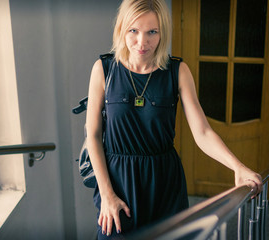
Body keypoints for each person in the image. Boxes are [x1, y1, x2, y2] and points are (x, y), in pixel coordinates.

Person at [85, 0, 263, 239]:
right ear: (121, 29)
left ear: (162, 33)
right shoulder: (104, 69)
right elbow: (94, 135)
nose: (142, 42)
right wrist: (107, 195)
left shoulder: (177, 71)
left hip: (164, 182)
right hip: (118, 182)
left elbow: (202, 132)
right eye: (133, 30)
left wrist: (237, 166)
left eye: (152, 32)